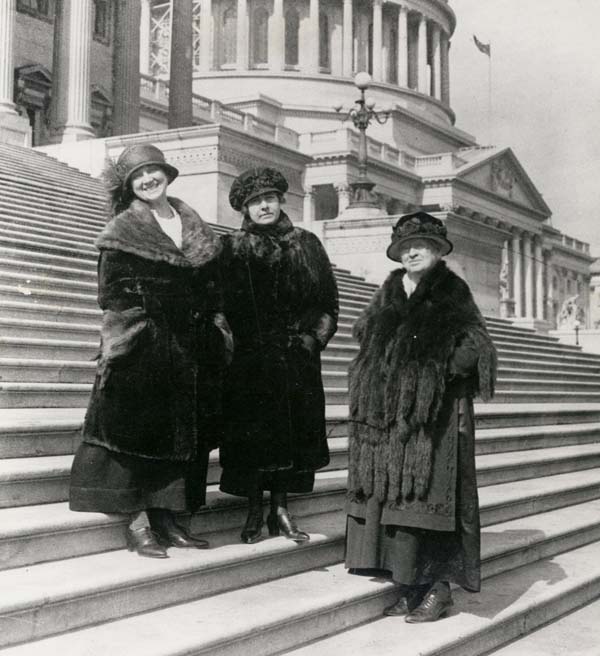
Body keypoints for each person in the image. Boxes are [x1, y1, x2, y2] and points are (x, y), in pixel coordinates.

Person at [70, 144, 232, 558]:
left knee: (178, 435)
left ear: (166, 173)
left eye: (152, 171)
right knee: (134, 431)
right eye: (138, 176)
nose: (147, 180)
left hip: (189, 345)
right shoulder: (123, 230)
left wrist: (214, 328)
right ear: (130, 185)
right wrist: (134, 331)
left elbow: (213, 287)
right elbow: (110, 293)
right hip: (144, 342)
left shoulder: (192, 224)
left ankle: (168, 518)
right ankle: (138, 521)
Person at [345, 211, 497, 622]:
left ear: (437, 250)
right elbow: (366, 331)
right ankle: (410, 586)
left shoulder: (452, 290)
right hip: (391, 419)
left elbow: (476, 345)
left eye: (421, 246)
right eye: (405, 248)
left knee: (431, 498)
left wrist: (433, 375)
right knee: (398, 500)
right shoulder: (391, 289)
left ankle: (439, 590)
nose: (412, 252)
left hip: (435, 418)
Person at [220, 167, 339, 544]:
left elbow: (327, 303)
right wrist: (227, 343)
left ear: (280, 200)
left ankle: (282, 509)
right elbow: (218, 302)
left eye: (269, 198)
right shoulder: (231, 247)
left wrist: (310, 341)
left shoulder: (306, 244)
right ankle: (255, 508)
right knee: (251, 436)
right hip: (247, 362)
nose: (263, 206)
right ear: (244, 208)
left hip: (295, 360)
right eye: (255, 202)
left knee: (292, 436)